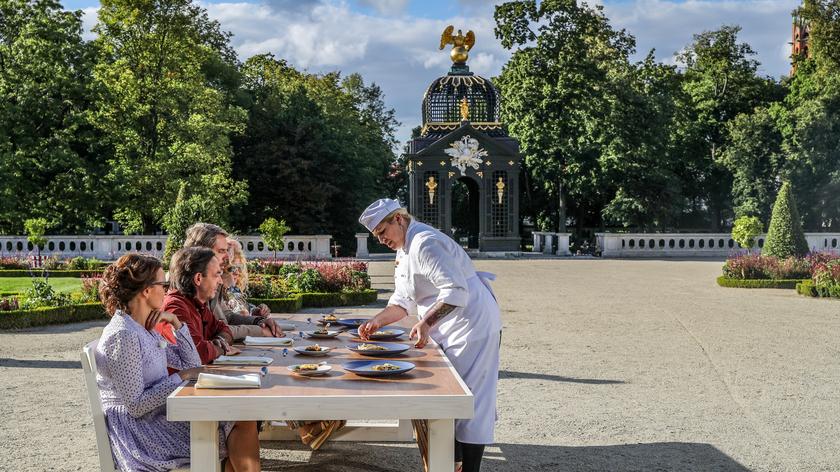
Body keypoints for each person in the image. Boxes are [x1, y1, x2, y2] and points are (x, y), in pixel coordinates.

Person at [357, 199, 501, 472]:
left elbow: (456, 291)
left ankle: (469, 468)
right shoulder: (403, 249)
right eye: (377, 236)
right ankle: (452, 461)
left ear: (398, 219)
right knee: (448, 396)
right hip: (446, 325)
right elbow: (402, 301)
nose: (381, 240)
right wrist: (377, 321)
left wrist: (425, 322)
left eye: (382, 232)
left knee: (471, 400)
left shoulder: (425, 242)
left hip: (473, 324)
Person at [95, 253, 261, 472]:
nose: (166, 290)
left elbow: (192, 365)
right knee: (237, 425)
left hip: (160, 415)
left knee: (241, 419)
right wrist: (179, 377)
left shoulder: (145, 326)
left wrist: (176, 323)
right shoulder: (123, 335)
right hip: (142, 432)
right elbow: (135, 406)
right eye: (163, 284)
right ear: (146, 291)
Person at [183, 223, 279, 338]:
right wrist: (260, 331)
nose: (227, 257)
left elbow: (227, 317)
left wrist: (258, 321)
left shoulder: (211, 280)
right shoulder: (189, 285)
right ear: (202, 252)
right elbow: (213, 331)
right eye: (221, 251)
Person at [162, 247, 239, 365]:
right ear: (198, 278)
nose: (220, 281)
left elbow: (224, 329)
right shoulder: (175, 307)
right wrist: (222, 349)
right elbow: (198, 353)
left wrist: (220, 341)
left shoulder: (197, 304)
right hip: (183, 382)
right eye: (216, 275)